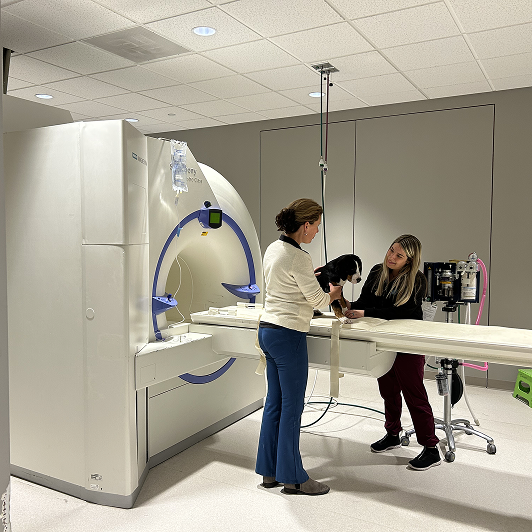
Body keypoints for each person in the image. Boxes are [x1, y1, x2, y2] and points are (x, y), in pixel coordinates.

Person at [255, 198, 342, 495]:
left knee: (274, 403)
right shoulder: (299, 258)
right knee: (293, 407)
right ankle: (294, 477)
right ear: (305, 225)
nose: (317, 232)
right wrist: (333, 292)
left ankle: (269, 472)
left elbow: (281, 287)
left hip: (266, 330)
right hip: (288, 335)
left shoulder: (273, 248)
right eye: (316, 226)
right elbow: (317, 301)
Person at [344, 234, 441, 471]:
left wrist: (365, 313)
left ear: (409, 260)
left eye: (399, 255)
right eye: (391, 251)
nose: (392, 257)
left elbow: (402, 312)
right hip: (382, 339)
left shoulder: (417, 280)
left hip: (408, 341)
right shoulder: (378, 271)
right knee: (388, 389)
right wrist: (345, 303)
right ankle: (392, 434)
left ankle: (431, 448)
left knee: (414, 393)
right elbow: (365, 301)